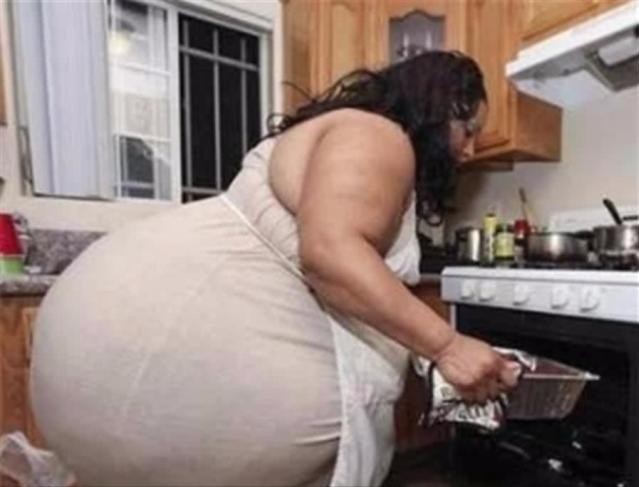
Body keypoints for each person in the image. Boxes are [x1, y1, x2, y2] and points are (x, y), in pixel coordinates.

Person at [30, 50, 520, 487]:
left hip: (88, 370)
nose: (470, 150)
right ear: (435, 108)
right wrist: (448, 346)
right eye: (468, 130)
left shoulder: (351, 133)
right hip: (137, 374)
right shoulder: (378, 135)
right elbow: (330, 253)